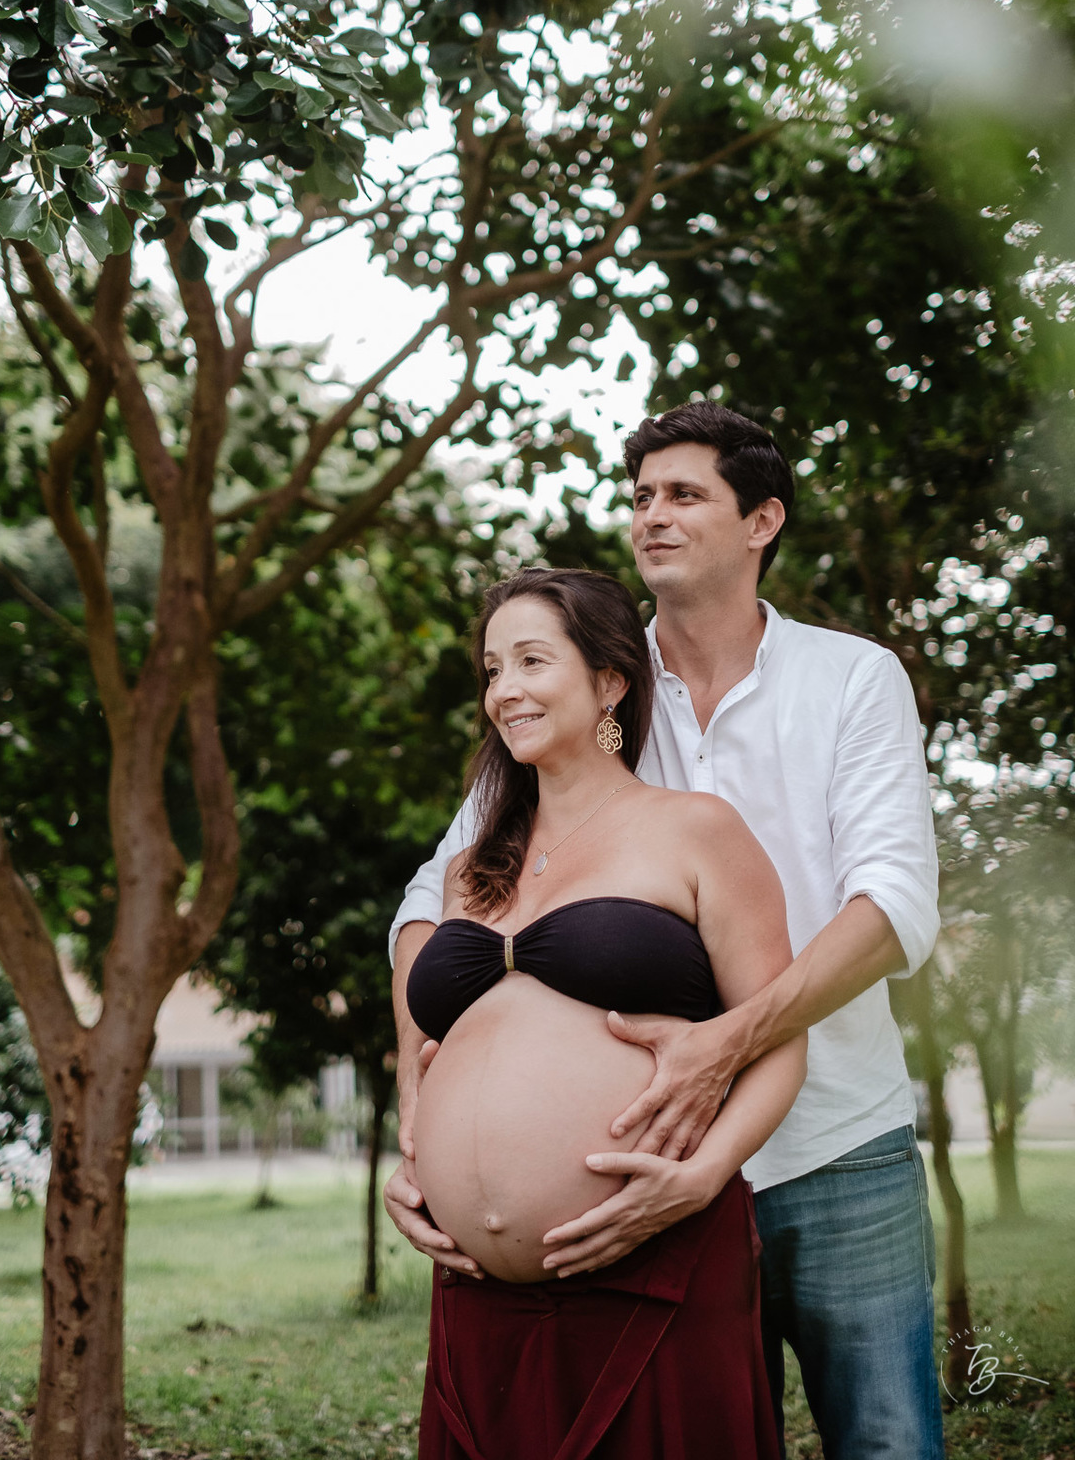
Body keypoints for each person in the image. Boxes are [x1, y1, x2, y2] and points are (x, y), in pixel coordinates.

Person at [387, 402, 944, 1460]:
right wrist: (425, 1089)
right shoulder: (588, 684)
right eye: (640, 496)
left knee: (885, 1441)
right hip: (641, 1179)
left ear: (762, 520)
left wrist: (726, 1045)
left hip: (833, 1146)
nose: (652, 516)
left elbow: (893, 906)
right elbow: (436, 900)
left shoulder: (851, 679)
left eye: (684, 494)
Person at [401, 565, 805, 1460]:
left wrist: (702, 1181)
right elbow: (431, 1042)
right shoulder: (471, 869)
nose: (505, 690)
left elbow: (778, 1041)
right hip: (477, 1296)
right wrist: (415, 1148)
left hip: (654, 1264)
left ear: (611, 680)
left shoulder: (697, 829)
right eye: (492, 670)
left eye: (532, 662)